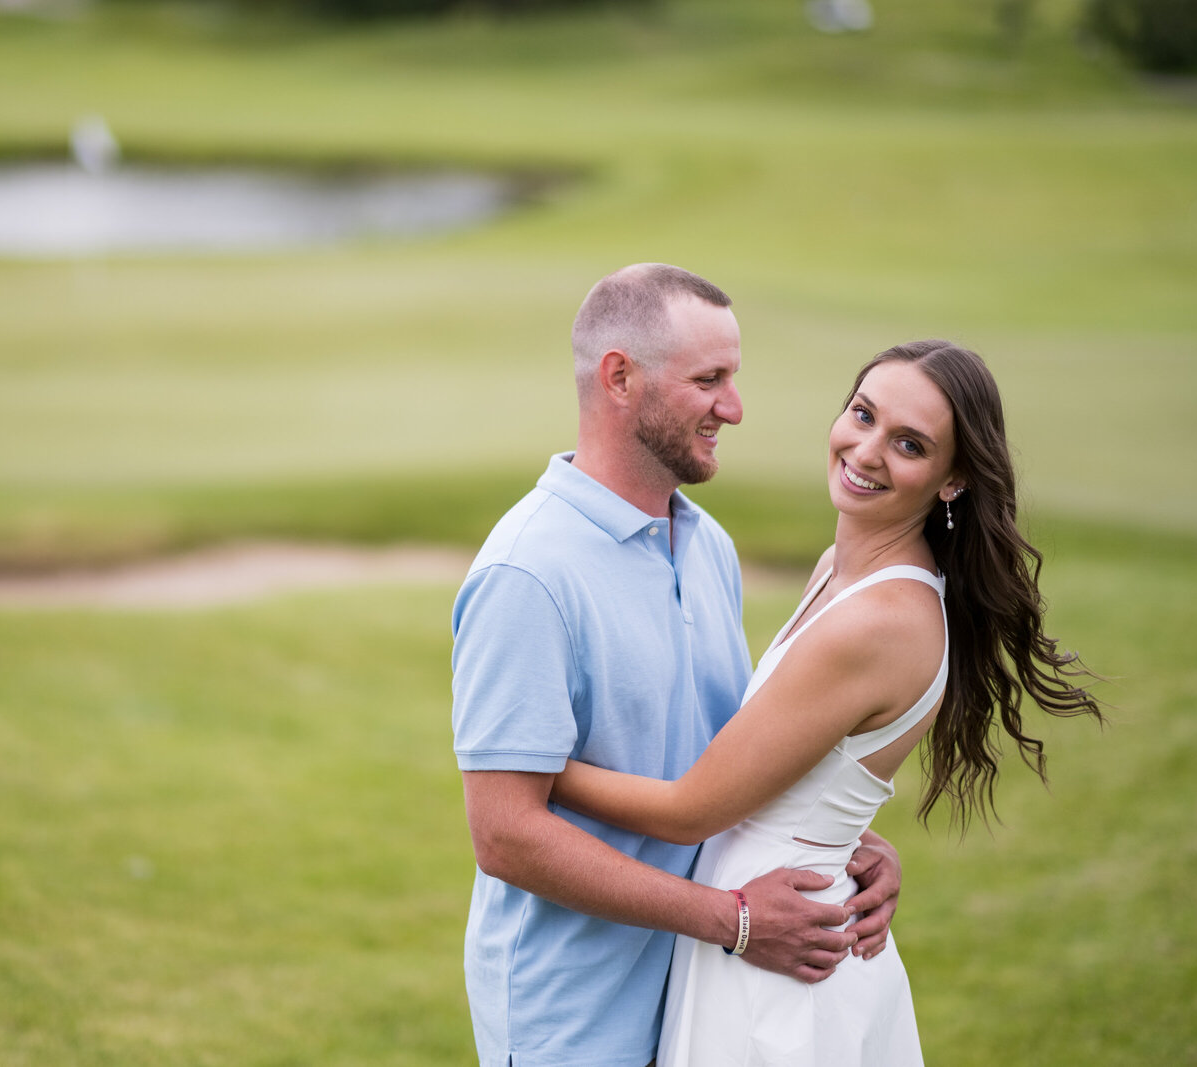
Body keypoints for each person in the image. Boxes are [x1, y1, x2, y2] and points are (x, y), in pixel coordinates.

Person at [550, 338, 1104, 1065]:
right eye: (862, 414)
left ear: (952, 479)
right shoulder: (838, 573)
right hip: (782, 912)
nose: (867, 450)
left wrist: (536, 768)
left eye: (908, 443)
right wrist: (846, 839)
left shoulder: (878, 621)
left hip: (780, 954)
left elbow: (694, 809)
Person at [450, 263, 905, 1067]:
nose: (733, 407)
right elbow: (506, 834)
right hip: (576, 1019)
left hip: (699, 997)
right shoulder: (527, 574)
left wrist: (843, 843)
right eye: (710, 380)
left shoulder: (707, 545)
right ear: (621, 377)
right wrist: (729, 917)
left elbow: (717, 758)